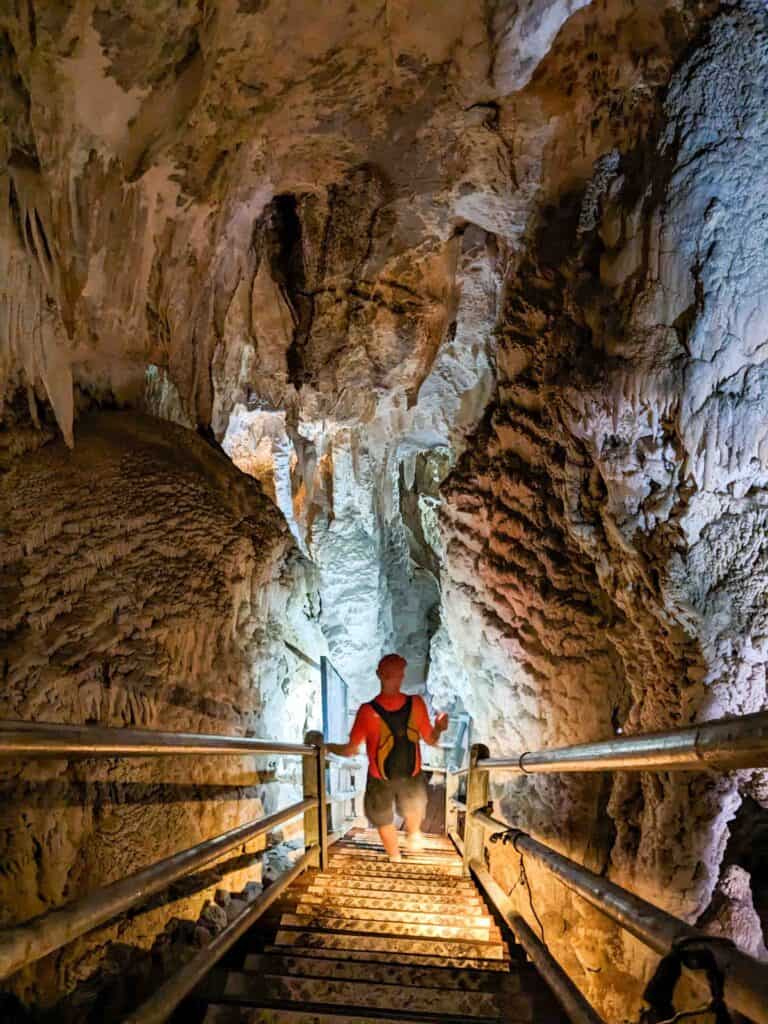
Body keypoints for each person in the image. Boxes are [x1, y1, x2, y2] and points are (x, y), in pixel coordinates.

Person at [326, 653, 449, 862]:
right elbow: (430, 739)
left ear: (378, 675)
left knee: (382, 817)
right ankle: (413, 834)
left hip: (379, 776)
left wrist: (325, 746)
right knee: (413, 807)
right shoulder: (416, 704)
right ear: (402, 675)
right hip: (411, 773)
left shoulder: (367, 711)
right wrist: (438, 728)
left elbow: (350, 750)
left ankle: (395, 856)